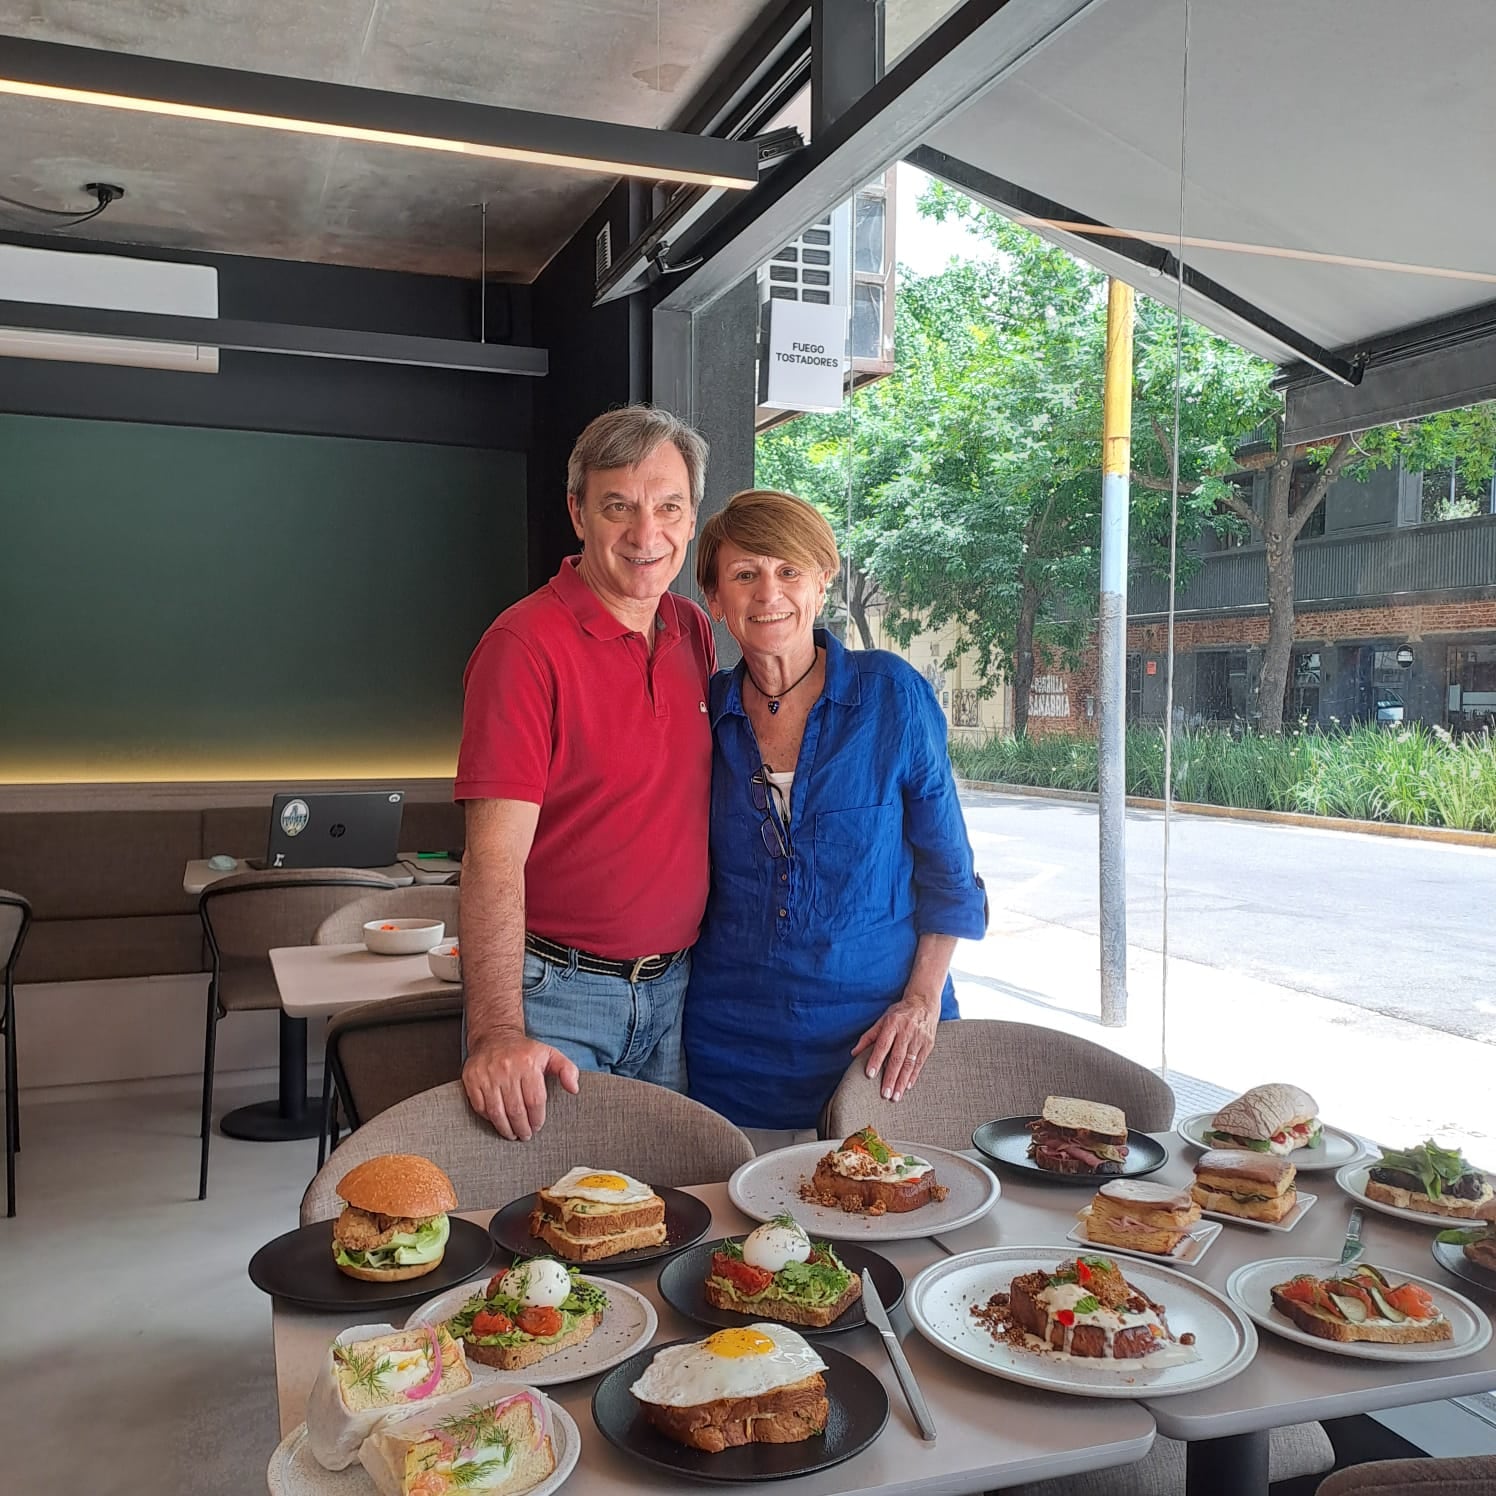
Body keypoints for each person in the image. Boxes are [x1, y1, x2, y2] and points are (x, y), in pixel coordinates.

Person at [684, 489, 987, 1138]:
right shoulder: (701, 718)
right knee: (754, 1239)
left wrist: (922, 1002)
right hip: (735, 1060)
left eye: (789, 571)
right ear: (715, 600)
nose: (770, 593)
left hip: (885, 1050)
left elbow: (949, 877)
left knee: (898, 1225)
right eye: (745, 575)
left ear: (823, 584)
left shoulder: (891, 696)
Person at [455, 406, 715, 1141]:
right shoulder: (523, 646)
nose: (646, 533)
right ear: (577, 512)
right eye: (618, 507)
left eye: (668, 506)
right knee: (555, 1228)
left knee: (659, 1215)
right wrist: (498, 1032)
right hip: (557, 1000)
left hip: (675, 993)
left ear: (692, 516)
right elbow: (493, 858)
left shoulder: (691, 631)